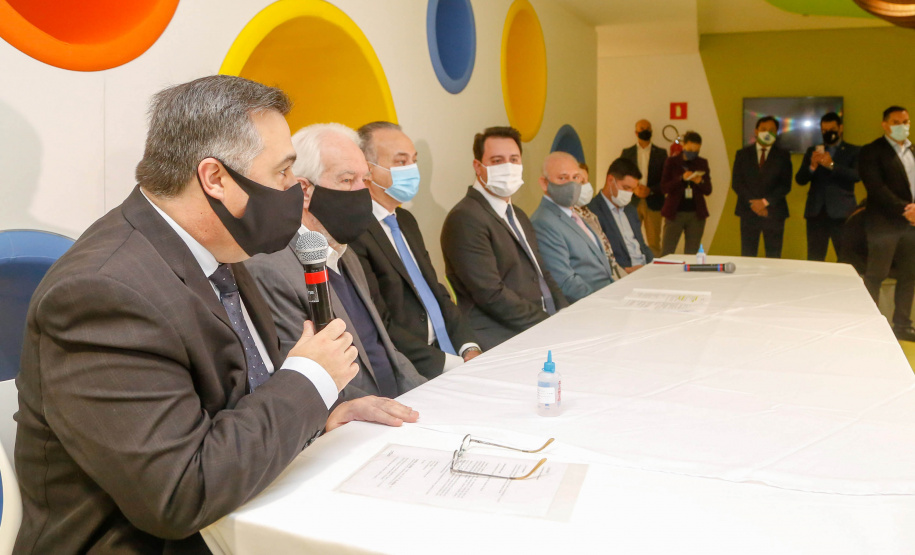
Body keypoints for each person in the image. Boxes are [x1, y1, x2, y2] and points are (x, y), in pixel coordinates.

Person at [13, 76, 417, 553]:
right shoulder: (101, 292)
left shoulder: (220, 252)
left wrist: (318, 421)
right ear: (216, 178)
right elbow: (180, 494)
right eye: (282, 173)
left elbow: (239, 409)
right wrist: (309, 381)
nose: (294, 190)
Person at [246, 123, 427, 400]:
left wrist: (428, 394)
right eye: (346, 180)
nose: (360, 193)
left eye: (364, 180)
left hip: (400, 406)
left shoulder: (346, 253)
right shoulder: (271, 269)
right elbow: (304, 380)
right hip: (356, 424)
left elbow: (384, 349)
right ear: (305, 191)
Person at [350, 121, 481, 379]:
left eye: (413, 160)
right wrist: (450, 365)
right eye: (400, 162)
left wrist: (469, 347)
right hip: (415, 370)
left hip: (454, 354)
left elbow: (436, 291)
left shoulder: (406, 221)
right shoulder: (356, 233)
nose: (411, 170)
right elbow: (379, 322)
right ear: (368, 170)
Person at [441, 126, 568, 350]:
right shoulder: (465, 218)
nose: (507, 167)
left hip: (541, 325)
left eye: (514, 159)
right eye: (497, 160)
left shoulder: (518, 214)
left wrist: (566, 313)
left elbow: (541, 272)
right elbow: (491, 294)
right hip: (501, 335)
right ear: (477, 167)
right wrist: (548, 323)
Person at [858, 105, 915, 341]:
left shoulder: (912, 150)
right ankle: (869, 322)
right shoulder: (872, 151)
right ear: (885, 125)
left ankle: (902, 324)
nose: (902, 126)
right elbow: (876, 187)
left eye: (906, 121)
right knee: (876, 274)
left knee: (909, 274)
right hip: (884, 224)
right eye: (896, 122)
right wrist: (905, 209)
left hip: (911, 224)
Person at [531, 151, 614, 302]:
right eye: (563, 178)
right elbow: (565, 281)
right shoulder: (543, 222)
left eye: (575, 177)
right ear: (544, 183)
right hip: (589, 307)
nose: (572, 184)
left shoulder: (573, 213)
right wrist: (604, 302)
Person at [795, 112, 861, 261]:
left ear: (840, 128)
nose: (828, 133)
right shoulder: (813, 151)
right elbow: (800, 180)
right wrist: (812, 166)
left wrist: (831, 165)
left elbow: (856, 176)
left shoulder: (853, 151)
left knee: (846, 257)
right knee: (814, 257)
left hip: (842, 213)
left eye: (832, 129)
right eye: (824, 130)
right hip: (816, 213)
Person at [731, 115, 793, 258]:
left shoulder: (783, 156)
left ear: (776, 133)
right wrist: (754, 204)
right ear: (756, 131)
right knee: (748, 255)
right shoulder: (742, 154)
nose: (767, 132)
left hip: (774, 212)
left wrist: (765, 203)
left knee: (773, 257)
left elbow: (785, 185)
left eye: (772, 130)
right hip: (748, 211)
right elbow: (737, 183)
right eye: (764, 129)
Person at [588, 157, 654, 271]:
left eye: (632, 190)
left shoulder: (631, 210)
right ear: (610, 180)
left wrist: (654, 264)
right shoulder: (593, 211)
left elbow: (642, 246)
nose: (629, 194)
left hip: (645, 269)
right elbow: (596, 257)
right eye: (626, 187)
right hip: (622, 274)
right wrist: (625, 271)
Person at [659, 131, 712, 256]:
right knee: (667, 251)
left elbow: (708, 190)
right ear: (683, 145)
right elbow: (664, 188)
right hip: (674, 213)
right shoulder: (671, 162)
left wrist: (700, 181)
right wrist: (681, 178)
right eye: (690, 149)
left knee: (692, 253)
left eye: (696, 150)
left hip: (696, 214)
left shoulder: (702, 163)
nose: (692, 153)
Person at [621, 119, 668, 257]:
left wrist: (651, 190)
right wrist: (633, 189)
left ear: (652, 131)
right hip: (632, 202)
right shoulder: (627, 153)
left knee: (654, 242)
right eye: (642, 128)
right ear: (636, 132)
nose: (645, 130)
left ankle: (655, 271)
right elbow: (620, 177)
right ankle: (632, 270)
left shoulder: (661, 153)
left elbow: (666, 180)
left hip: (654, 202)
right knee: (629, 239)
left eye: (648, 128)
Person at [573, 163, 626, 280]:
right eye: (581, 182)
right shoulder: (571, 217)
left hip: (612, 273)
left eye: (587, 181)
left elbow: (608, 254)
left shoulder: (590, 214)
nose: (586, 186)